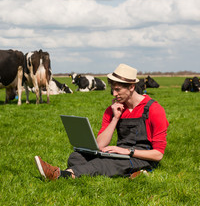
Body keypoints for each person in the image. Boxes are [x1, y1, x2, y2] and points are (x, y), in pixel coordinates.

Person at [35, 63, 169, 180]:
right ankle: (130, 173)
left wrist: (128, 151)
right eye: (113, 89)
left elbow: (158, 155)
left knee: (103, 163)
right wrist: (115, 118)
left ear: (131, 87)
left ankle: (61, 175)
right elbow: (100, 144)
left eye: (118, 90)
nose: (114, 94)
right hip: (120, 153)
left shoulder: (154, 110)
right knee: (76, 157)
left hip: (142, 158)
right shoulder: (112, 109)